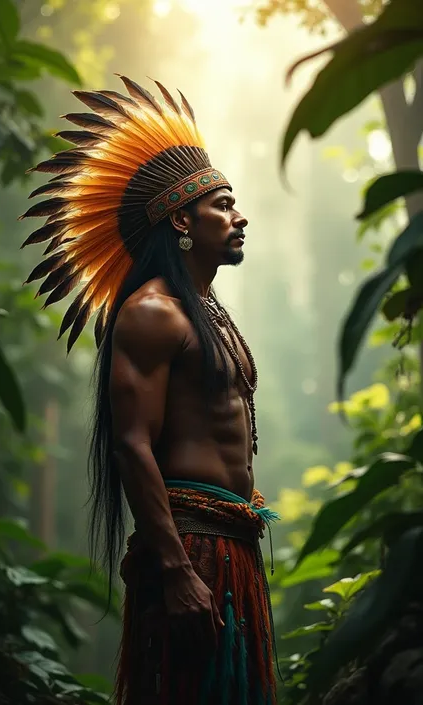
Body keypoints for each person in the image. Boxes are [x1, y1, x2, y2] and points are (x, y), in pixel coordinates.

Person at [21, 75, 278, 705]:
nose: (238, 216)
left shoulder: (206, 309)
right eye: (223, 204)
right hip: (189, 549)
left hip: (231, 545)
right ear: (181, 219)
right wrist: (176, 569)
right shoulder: (153, 312)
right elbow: (133, 446)